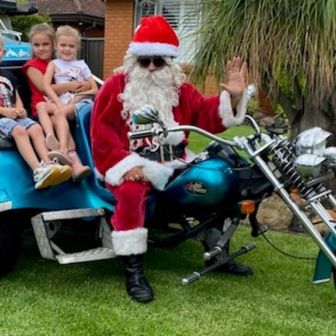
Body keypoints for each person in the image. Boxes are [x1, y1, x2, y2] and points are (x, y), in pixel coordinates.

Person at [91, 15, 252, 303]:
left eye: (159, 61)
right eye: (145, 61)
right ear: (134, 60)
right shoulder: (115, 87)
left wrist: (235, 98)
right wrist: (129, 166)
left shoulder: (180, 89)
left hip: (177, 162)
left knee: (220, 179)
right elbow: (101, 134)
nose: (152, 67)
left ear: (170, 61)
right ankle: (134, 270)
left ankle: (218, 251)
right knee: (130, 193)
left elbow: (205, 115)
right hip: (132, 163)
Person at [0, 33, 72, 189]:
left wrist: (20, 109)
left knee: (36, 128)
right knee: (19, 130)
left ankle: (48, 165)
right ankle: (37, 171)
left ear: (3, 53)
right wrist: (4, 111)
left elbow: (15, 96)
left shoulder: (9, 76)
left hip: (13, 116)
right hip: (2, 119)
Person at [23, 23, 92, 181]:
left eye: (45, 44)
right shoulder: (32, 66)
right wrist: (72, 85)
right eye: (37, 45)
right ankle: (74, 163)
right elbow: (43, 88)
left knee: (60, 117)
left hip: (61, 104)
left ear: (53, 45)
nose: (41, 48)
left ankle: (71, 160)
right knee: (57, 118)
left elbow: (83, 80)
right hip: (42, 108)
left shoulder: (59, 63)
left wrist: (84, 85)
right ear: (32, 47)